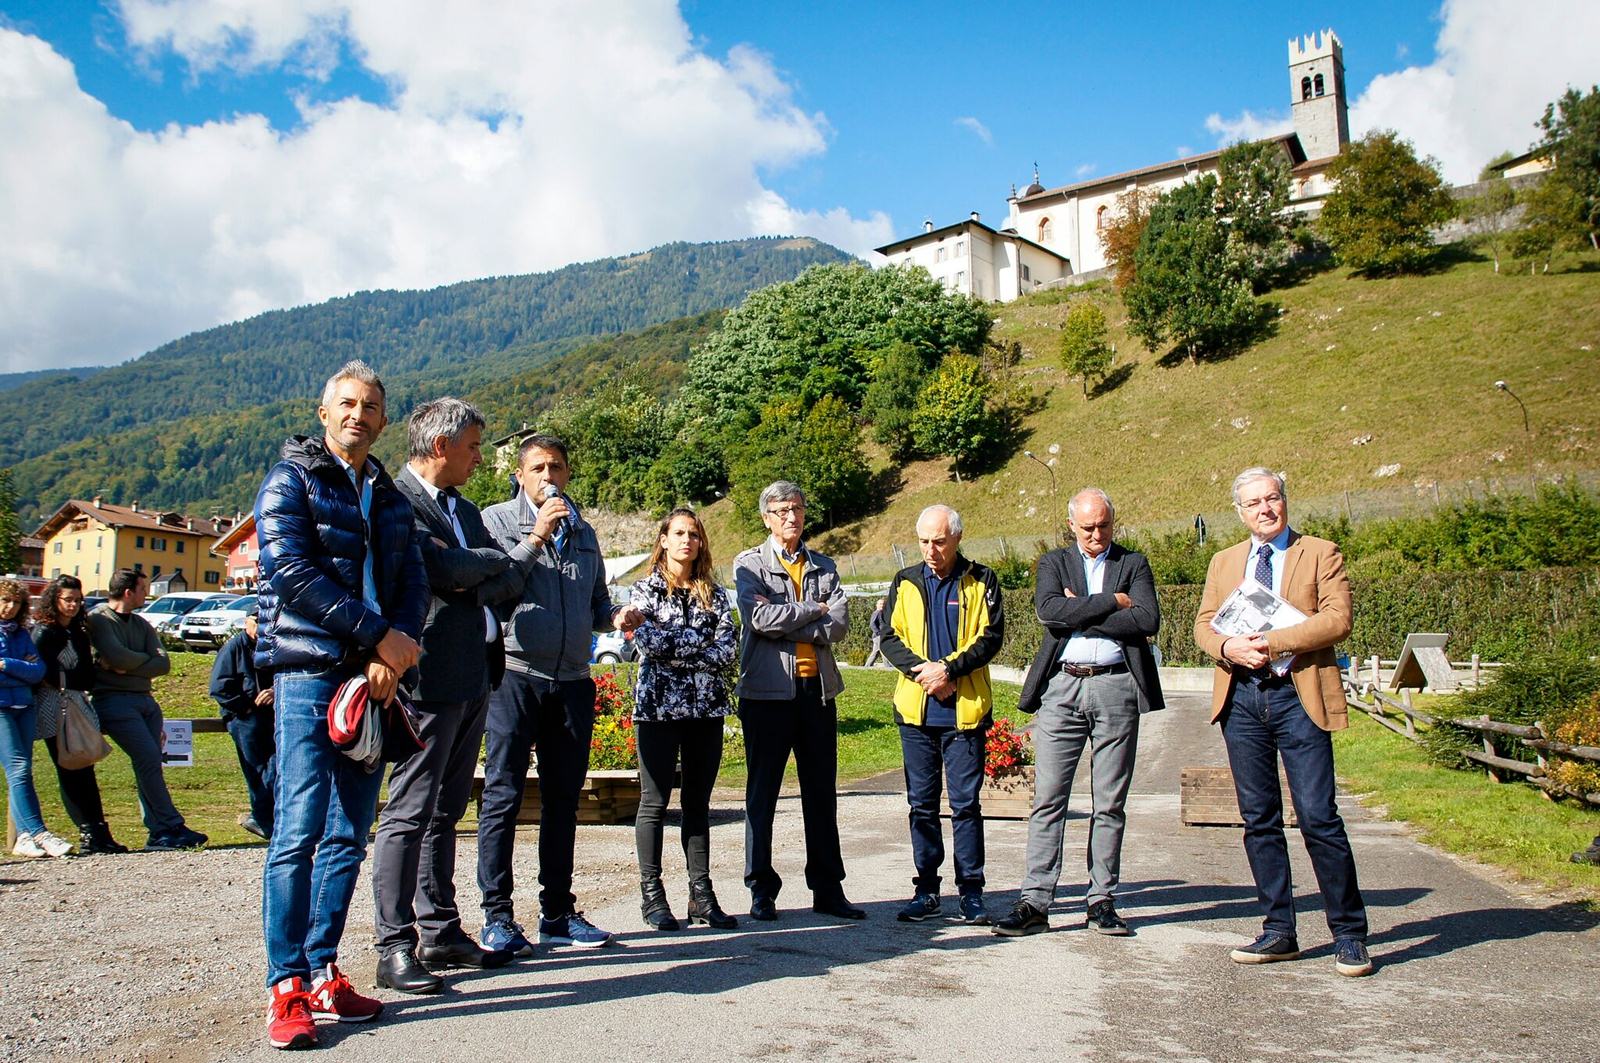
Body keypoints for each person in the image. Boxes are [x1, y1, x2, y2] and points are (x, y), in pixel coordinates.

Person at [254, 360, 428, 1049]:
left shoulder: (387, 496)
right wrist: (376, 638)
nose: (359, 413)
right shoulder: (288, 480)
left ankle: (325, 967)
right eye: (347, 403)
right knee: (297, 826)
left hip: (375, 675)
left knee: (351, 832)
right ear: (324, 412)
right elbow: (292, 573)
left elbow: (411, 576)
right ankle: (286, 982)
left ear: (384, 420)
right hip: (307, 670)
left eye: (372, 405)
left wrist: (398, 645)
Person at [373, 398, 541, 994]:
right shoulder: (395, 501)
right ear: (440, 446)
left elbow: (501, 581)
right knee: (409, 812)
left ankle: (440, 930)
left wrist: (479, 564)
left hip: (475, 677)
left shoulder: (466, 510)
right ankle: (394, 945)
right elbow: (443, 570)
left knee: (446, 813)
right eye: (472, 447)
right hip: (426, 679)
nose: (478, 457)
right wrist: (478, 565)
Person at [1194, 467, 1373, 977]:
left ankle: (1349, 933)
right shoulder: (1224, 561)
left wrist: (1273, 641)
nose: (1266, 509)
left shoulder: (1321, 552)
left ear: (1284, 501)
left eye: (1273, 499)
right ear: (1240, 512)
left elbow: (1338, 620)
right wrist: (1229, 646)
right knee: (1259, 821)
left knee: (1319, 816)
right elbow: (1204, 625)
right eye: (1254, 503)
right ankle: (1279, 930)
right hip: (1243, 701)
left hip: (1301, 697)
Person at [478, 433, 644, 955]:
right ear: (520, 476)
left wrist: (615, 617)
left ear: (567, 473)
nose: (549, 475)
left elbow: (596, 602)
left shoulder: (585, 532)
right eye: (538, 468)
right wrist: (536, 537)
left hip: (572, 680)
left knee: (562, 801)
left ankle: (557, 913)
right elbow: (495, 590)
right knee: (503, 795)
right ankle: (497, 916)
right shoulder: (496, 522)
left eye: (557, 467)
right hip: (514, 675)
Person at [993, 488, 1164, 938]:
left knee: (1109, 802)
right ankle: (1035, 901)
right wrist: (1115, 601)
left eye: (1104, 525)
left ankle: (1101, 900)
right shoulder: (1054, 563)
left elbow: (1147, 622)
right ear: (1072, 525)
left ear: (1113, 522)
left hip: (1116, 686)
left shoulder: (1134, 563)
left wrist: (1080, 611)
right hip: (1063, 687)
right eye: (1087, 527)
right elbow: (1049, 612)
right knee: (1048, 799)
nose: (1096, 534)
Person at [734, 480, 861, 922]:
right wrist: (815, 609)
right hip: (766, 695)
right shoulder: (749, 564)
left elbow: (841, 626)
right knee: (762, 794)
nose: (793, 517)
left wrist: (800, 616)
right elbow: (759, 618)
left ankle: (828, 889)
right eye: (784, 510)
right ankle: (761, 890)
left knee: (821, 794)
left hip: (817, 694)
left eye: (799, 509)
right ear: (767, 517)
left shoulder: (823, 565)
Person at [878, 505, 1004, 925]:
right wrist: (927, 675)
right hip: (916, 714)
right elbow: (889, 637)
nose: (931, 550)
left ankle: (971, 891)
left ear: (957, 538)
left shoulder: (982, 579)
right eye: (924, 542)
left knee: (966, 806)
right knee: (922, 806)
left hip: (964, 714)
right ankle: (927, 890)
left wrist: (948, 670)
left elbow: (991, 638)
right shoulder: (905, 580)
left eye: (939, 541)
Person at [628, 507, 739, 932]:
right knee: (654, 802)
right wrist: (698, 646)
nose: (686, 540)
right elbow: (649, 642)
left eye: (693, 533)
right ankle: (652, 895)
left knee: (697, 804)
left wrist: (679, 648)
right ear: (663, 540)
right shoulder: (644, 592)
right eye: (678, 533)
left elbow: (728, 647)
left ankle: (701, 894)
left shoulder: (716, 593)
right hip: (657, 710)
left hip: (705, 709)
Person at [86, 568, 207, 852]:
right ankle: (169, 825)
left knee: (150, 765)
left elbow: (163, 664)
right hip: (115, 701)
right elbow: (117, 656)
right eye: (143, 589)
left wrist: (126, 666)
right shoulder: (100, 620)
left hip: (146, 701)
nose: (146, 594)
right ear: (128, 592)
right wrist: (138, 664)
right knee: (149, 759)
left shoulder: (141, 624)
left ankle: (159, 831)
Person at [31, 575, 126, 854]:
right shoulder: (44, 632)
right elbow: (42, 673)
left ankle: (99, 829)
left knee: (85, 766)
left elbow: (86, 676)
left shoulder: (77, 632)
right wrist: (66, 677)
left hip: (75, 701)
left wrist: (67, 677)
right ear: (55, 600)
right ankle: (87, 832)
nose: (72, 605)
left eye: (77, 600)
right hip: (52, 705)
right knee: (69, 766)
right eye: (67, 600)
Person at [1, 580, 73, 858]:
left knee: (22, 772)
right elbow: (29, 670)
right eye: (5, 600)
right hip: (2, 709)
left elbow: (38, 671)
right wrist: (22, 669)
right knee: (18, 768)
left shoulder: (20, 633)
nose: (10, 607)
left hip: (24, 705)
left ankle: (23, 837)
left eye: (16, 602)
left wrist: (7, 664)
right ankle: (40, 832)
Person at [209, 601, 275, 839]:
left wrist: (275, 691)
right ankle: (261, 818)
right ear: (246, 622)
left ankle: (269, 818)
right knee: (257, 769)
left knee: (276, 767)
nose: (261, 626)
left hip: (271, 717)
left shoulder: (272, 647)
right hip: (244, 718)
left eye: (265, 621)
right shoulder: (234, 647)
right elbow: (219, 687)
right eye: (256, 621)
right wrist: (246, 707)